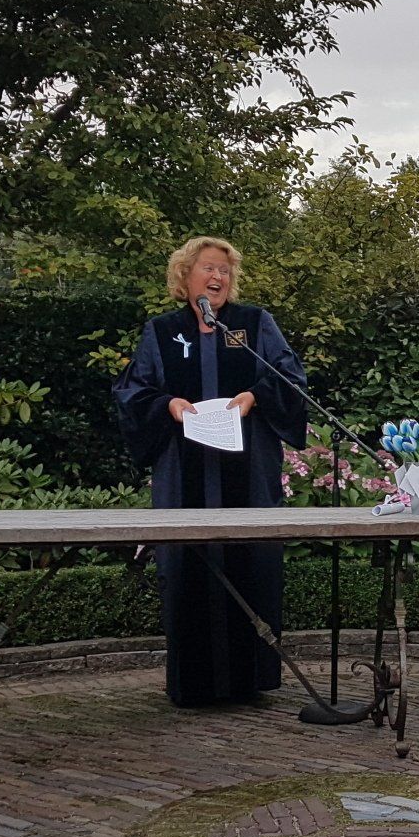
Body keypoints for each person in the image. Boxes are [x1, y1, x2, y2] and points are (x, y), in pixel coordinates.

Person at [113, 236, 309, 706]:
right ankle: (194, 684)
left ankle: (250, 681)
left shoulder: (253, 324)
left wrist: (254, 396)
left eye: (224, 269)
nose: (218, 276)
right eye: (208, 267)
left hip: (248, 473)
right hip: (185, 475)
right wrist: (168, 405)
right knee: (186, 567)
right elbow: (132, 392)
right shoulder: (162, 331)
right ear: (185, 277)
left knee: (252, 562)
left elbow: (290, 377)